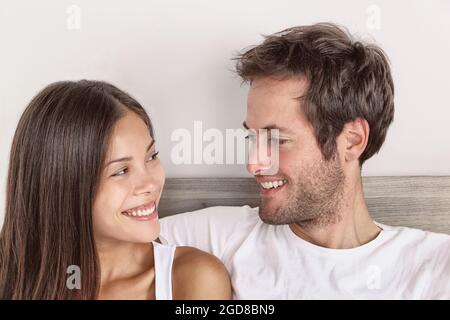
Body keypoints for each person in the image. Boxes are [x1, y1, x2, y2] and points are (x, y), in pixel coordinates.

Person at [160, 23, 450, 299]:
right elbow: (116, 246)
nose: (254, 163)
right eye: (253, 138)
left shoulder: (434, 266)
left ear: (352, 140)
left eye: (277, 140)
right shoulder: (220, 238)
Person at [0, 80, 231, 300]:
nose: (150, 184)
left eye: (151, 156)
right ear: (65, 187)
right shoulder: (11, 277)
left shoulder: (192, 278)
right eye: (121, 171)